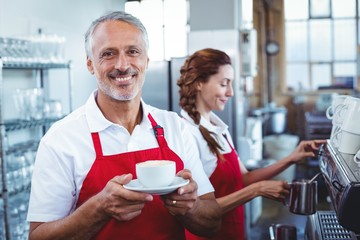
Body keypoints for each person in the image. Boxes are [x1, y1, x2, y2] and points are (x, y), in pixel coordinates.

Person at [26, 12, 222, 240]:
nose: (122, 65)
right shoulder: (61, 139)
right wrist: (98, 209)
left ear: (146, 61)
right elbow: (38, 236)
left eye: (133, 51)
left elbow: (213, 223)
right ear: (90, 64)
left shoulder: (174, 127)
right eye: (108, 54)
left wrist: (192, 208)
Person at [177, 48, 327, 240]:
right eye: (224, 84)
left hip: (233, 232)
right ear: (199, 83)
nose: (230, 92)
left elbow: (244, 178)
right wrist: (258, 190)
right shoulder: (187, 134)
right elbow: (199, 209)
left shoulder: (217, 127)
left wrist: (291, 158)